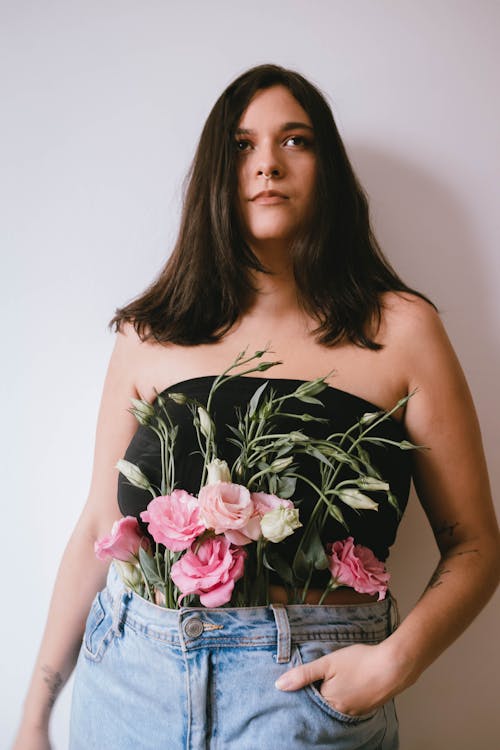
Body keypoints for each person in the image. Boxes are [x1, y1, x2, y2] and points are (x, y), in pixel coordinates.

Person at [14, 63, 499, 750]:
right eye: (242, 146)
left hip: (303, 698)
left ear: (327, 167)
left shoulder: (402, 331)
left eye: (294, 140)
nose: (267, 164)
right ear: (217, 172)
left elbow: (475, 543)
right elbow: (99, 524)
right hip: (129, 686)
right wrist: (35, 713)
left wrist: (395, 663)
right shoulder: (148, 335)